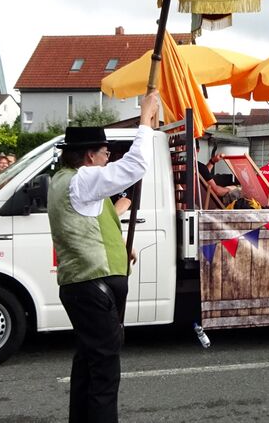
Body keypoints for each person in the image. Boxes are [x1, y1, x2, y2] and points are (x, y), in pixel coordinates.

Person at [47, 90, 159, 423]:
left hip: (82, 286)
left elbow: (94, 217)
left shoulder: (63, 180)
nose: (108, 159)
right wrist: (144, 119)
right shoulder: (83, 179)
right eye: (105, 153)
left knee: (88, 365)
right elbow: (136, 165)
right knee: (104, 375)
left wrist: (119, 244)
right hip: (92, 286)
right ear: (89, 155)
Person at [195, 140, 239, 205]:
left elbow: (204, 174)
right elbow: (217, 191)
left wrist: (213, 161)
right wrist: (231, 189)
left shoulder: (191, 166)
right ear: (198, 150)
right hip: (209, 202)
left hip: (198, 200)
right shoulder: (198, 166)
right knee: (238, 193)